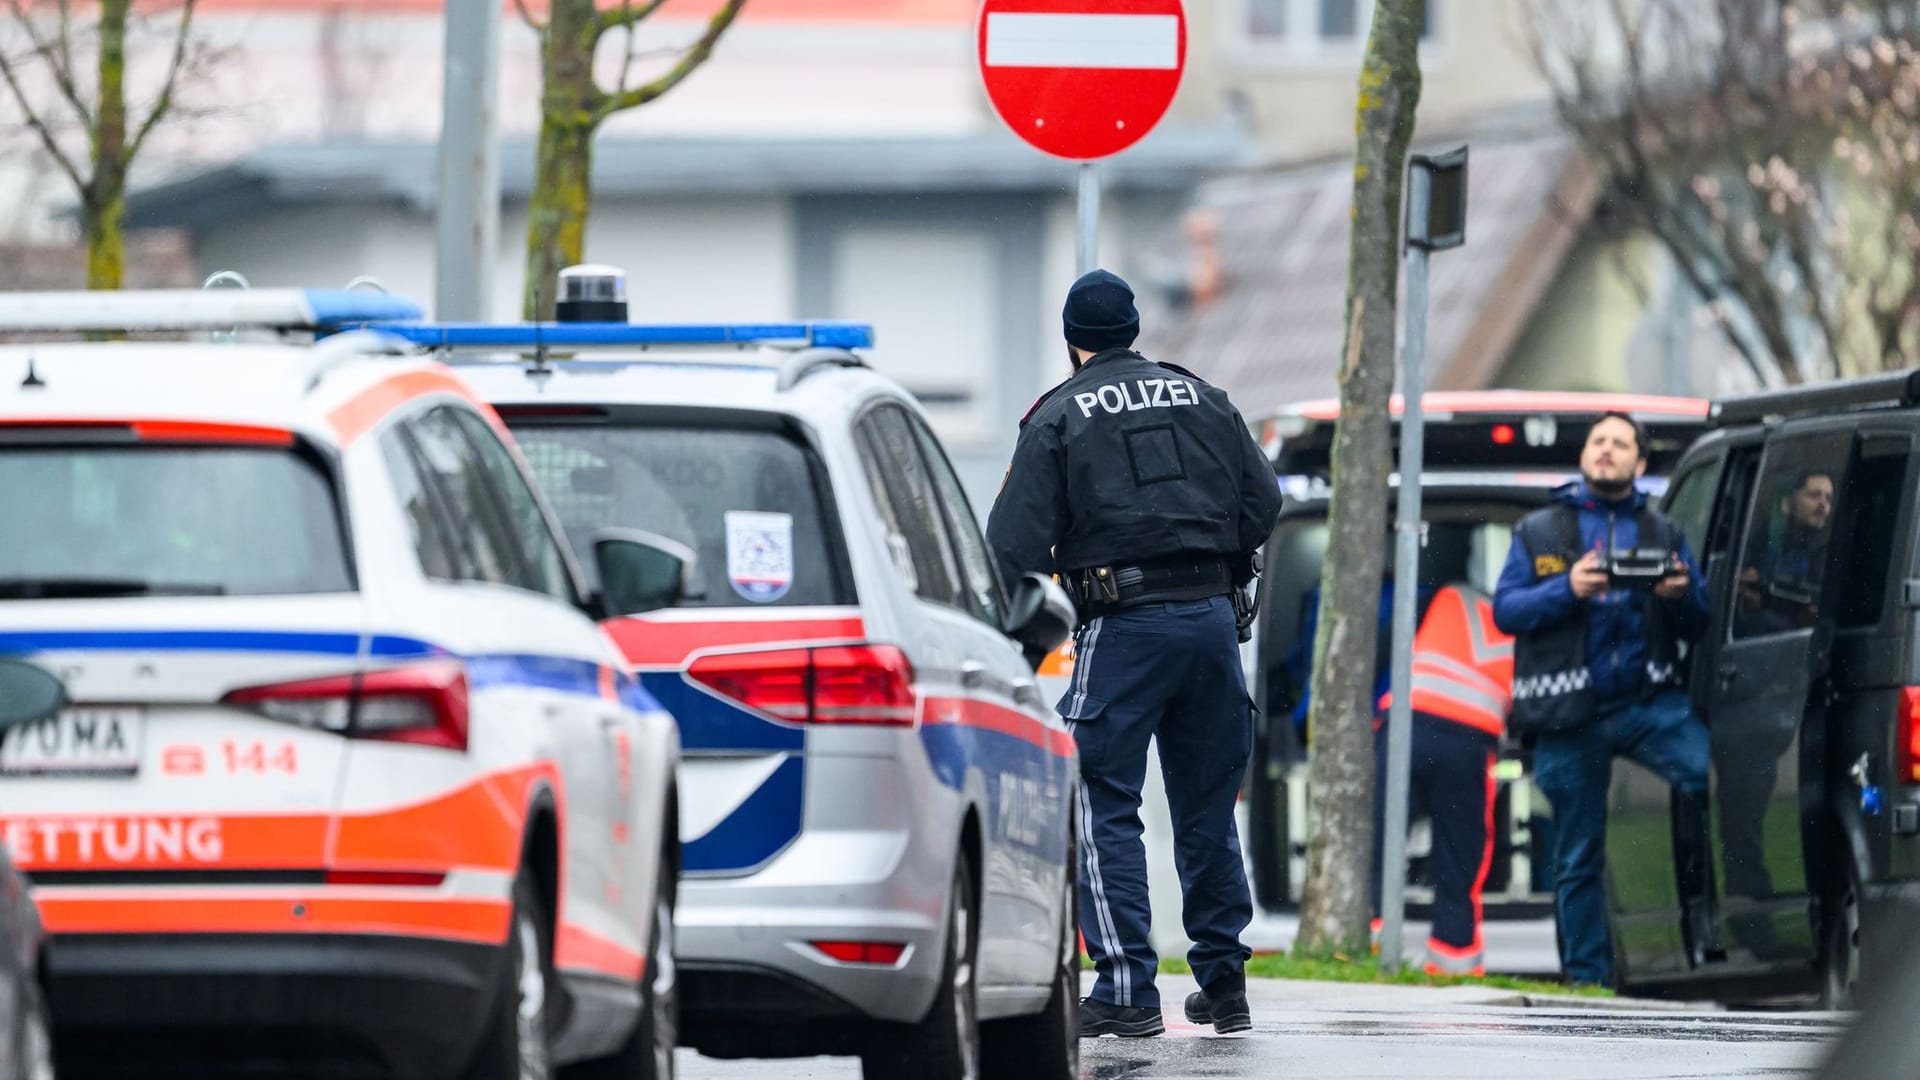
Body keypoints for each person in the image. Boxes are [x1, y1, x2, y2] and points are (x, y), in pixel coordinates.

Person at [987, 268, 1282, 1037]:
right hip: (1216, 623)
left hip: (1124, 626)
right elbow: (1266, 501)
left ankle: (1124, 987)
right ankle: (1224, 983)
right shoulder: (1204, 397)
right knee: (1207, 802)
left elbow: (1009, 545)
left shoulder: (1058, 416)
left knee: (1097, 796)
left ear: (1071, 343)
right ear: (1132, 330)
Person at [1491, 411, 1710, 989]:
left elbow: (1702, 619)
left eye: (1620, 444)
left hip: (1647, 704)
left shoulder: (1664, 532)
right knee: (1575, 855)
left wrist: (1678, 594)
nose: (1607, 451)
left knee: (1717, 782)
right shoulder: (1540, 530)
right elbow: (1506, 610)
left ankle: (1722, 938)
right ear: (1585, 455)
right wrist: (1570, 588)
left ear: (1639, 463)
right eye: (1598, 441)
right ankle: (1588, 984)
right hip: (1570, 713)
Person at [1371, 578, 1514, 977]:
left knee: (1381, 841)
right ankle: (1454, 958)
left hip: (1406, 724)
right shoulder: (1532, 628)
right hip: (1470, 740)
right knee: (1460, 853)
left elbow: (1387, 641)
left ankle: (1374, 945)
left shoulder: (1452, 596)